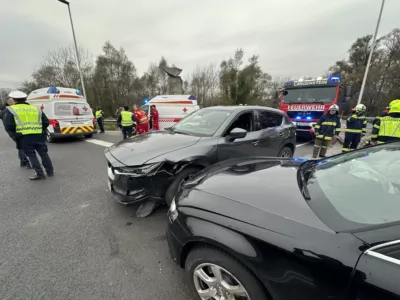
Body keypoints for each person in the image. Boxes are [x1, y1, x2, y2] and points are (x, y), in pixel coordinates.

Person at [5, 91, 54, 180]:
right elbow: (46, 122)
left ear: (14, 100)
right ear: (26, 99)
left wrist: (15, 136)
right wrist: (39, 129)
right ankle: (50, 172)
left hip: (24, 136)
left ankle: (39, 174)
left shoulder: (11, 110)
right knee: (44, 154)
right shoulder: (36, 109)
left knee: (31, 155)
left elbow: (9, 126)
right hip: (38, 135)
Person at [1, 97, 31, 168]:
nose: (14, 103)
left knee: (20, 146)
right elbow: (9, 124)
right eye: (11, 102)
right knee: (22, 145)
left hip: (13, 131)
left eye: (14, 101)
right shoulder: (8, 111)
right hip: (15, 131)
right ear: (8, 103)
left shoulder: (6, 110)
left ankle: (23, 162)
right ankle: (26, 162)